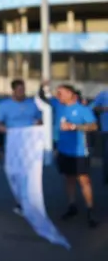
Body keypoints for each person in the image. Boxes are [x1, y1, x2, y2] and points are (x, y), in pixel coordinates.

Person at [0, 79, 42, 215]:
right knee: (13, 172)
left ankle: (28, 201)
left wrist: (37, 125)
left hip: (30, 143)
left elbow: (39, 120)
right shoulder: (5, 106)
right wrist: (6, 130)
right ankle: (19, 198)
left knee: (29, 172)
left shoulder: (31, 104)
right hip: (13, 142)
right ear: (14, 90)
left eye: (23, 89)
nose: (22, 92)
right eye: (19, 90)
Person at [55, 85, 99, 228]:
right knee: (69, 179)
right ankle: (71, 206)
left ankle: (90, 210)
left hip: (79, 151)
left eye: (60, 93)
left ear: (70, 94)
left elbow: (93, 126)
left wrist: (74, 127)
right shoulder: (59, 107)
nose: (58, 96)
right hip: (63, 150)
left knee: (84, 180)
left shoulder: (82, 109)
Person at [90, 89, 108, 184]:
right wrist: (104, 109)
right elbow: (93, 107)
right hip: (106, 129)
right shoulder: (103, 94)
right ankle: (106, 178)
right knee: (106, 155)